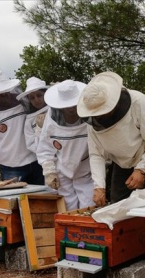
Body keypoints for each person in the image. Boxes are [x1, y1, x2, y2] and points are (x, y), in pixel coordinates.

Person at [77, 71, 145, 257]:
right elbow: (96, 154)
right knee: (119, 208)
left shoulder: (138, 103)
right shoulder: (93, 118)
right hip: (120, 163)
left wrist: (142, 169)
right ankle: (127, 251)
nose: (100, 116)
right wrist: (99, 187)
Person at [0, 71, 44, 185]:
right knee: (14, 200)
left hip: (37, 161)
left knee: (41, 199)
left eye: (6, 91)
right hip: (11, 167)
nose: (5, 95)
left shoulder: (24, 102)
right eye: (0, 94)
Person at [37, 79, 94, 210]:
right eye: (67, 106)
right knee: (67, 209)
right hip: (61, 171)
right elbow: (45, 148)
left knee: (89, 208)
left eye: (74, 104)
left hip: (86, 170)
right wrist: (49, 172)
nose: (71, 108)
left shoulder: (90, 116)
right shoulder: (51, 119)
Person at [16, 77, 49, 154]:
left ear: (45, 94)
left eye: (39, 95)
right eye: (32, 98)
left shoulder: (56, 110)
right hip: (46, 158)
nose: (36, 100)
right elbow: (30, 143)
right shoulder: (30, 120)